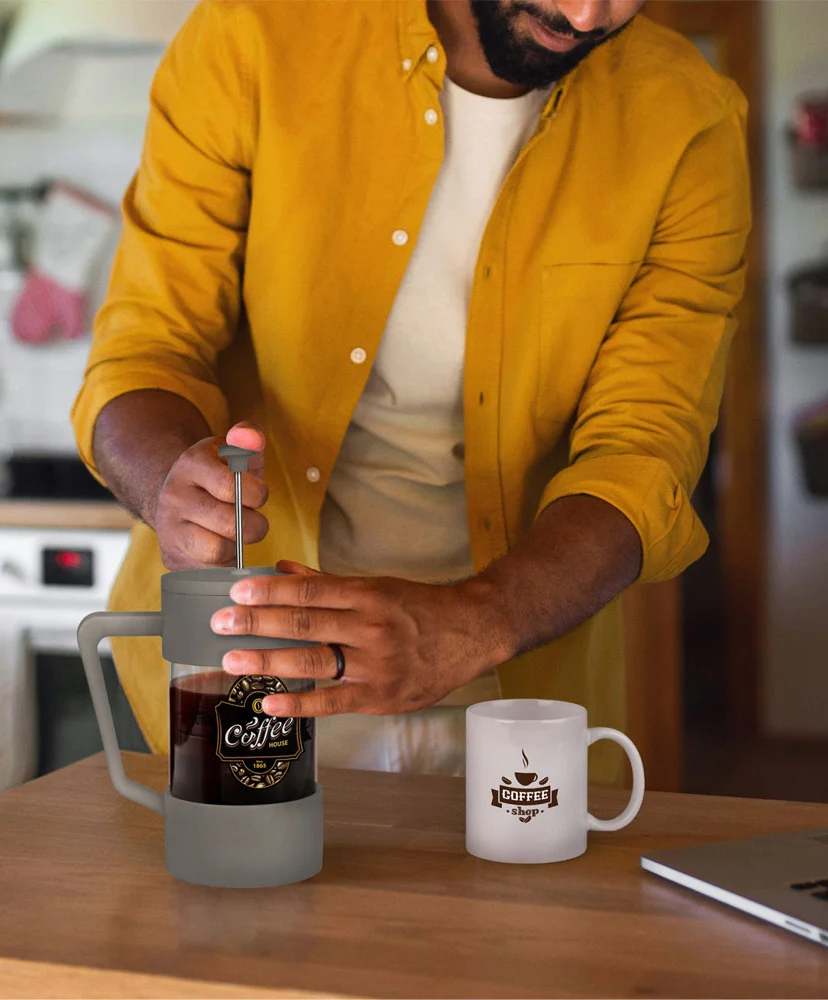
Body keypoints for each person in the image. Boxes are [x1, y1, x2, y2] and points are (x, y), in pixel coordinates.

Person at [72, 0, 751, 783]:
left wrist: (479, 621)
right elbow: (146, 348)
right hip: (231, 676)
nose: (586, 12)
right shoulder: (253, 37)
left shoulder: (688, 121)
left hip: (517, 692)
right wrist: (167, 482)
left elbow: (641, 454)